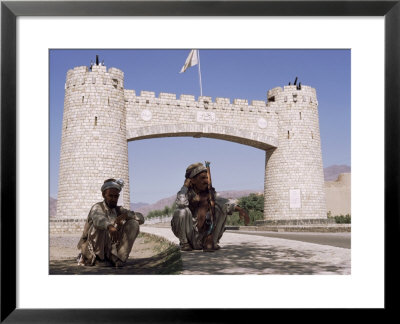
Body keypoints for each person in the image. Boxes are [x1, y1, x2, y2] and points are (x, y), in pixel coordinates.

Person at [171, 162, 249, 252]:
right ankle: (184, 243)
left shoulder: (209, 194)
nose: (206, 181)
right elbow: (181, 203)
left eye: (207, 178)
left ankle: (213, 241)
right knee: (181, 211)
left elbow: (224, 202)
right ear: (192, 180)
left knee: (220, 207)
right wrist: (185, 186)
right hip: (190, 236)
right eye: (202, 178)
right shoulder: (186, 193)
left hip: (204, 238)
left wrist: (240, 209)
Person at [77, 178, 144, 267]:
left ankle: (119, 259)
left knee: (133, 224)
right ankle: (99, 259)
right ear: (104, 195)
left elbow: (141, 218)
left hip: (112, 247)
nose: (113, 199)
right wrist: (110, 226)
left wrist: (127, 215)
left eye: (115, 196)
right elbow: (99, 220)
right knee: (97, 227)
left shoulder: (118, 210)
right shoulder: (97, 207)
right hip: (93, 248)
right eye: (110, 196)